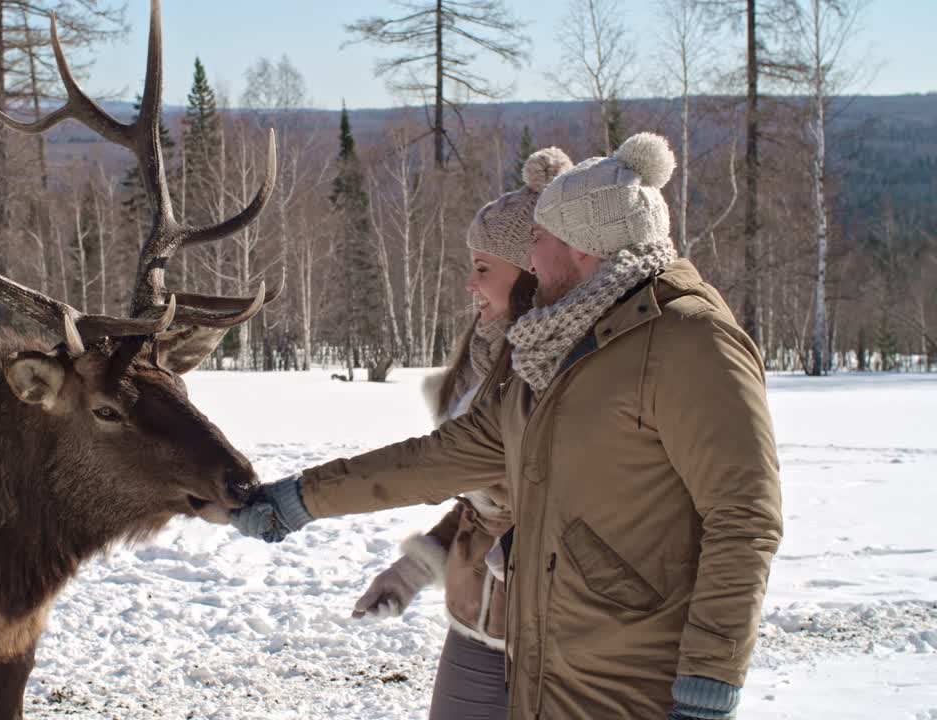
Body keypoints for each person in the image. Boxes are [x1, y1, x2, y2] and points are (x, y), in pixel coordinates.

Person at [232, 133, 782, 720]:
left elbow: (744, 517)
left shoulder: (690, 341)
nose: (532, 259)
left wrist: (708, 688)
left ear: (581, 246)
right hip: (548, 670)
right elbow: (442, 457)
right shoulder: (556, 347)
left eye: (538, 240)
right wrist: (300, 499)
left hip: (637, 683)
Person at [352, 148, 572, 720]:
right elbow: (483, 504)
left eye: (483, 268)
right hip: (477, 625)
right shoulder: (480, 360)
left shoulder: (568, 369)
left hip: (562, 636)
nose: (470, 284)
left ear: (529, 273)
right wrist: (411, 571)